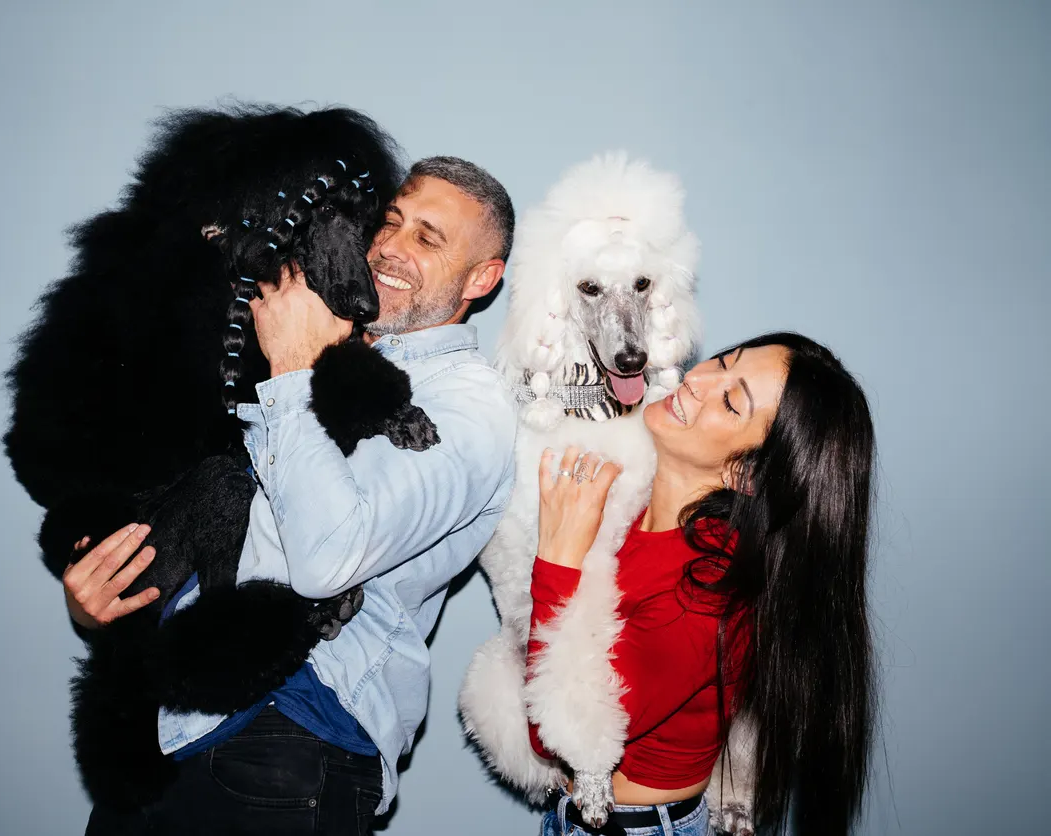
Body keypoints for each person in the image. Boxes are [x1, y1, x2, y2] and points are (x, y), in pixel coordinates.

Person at [65, 157, 519, 835]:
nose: (391, 246)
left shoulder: (468, 406)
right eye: (391, 221)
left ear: (482, 278)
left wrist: (293, 368)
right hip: (165, 733)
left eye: (430, 238)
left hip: (285, 735)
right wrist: (106, 593)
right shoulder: (302, 335)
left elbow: (326, 561)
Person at [529, 332, 875, 836]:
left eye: (731, 400)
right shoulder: (635, 506)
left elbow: (561, 736)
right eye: (720, 361)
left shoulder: (708, 592)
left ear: (745, 473)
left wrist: (557, 556)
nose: (697, 379)